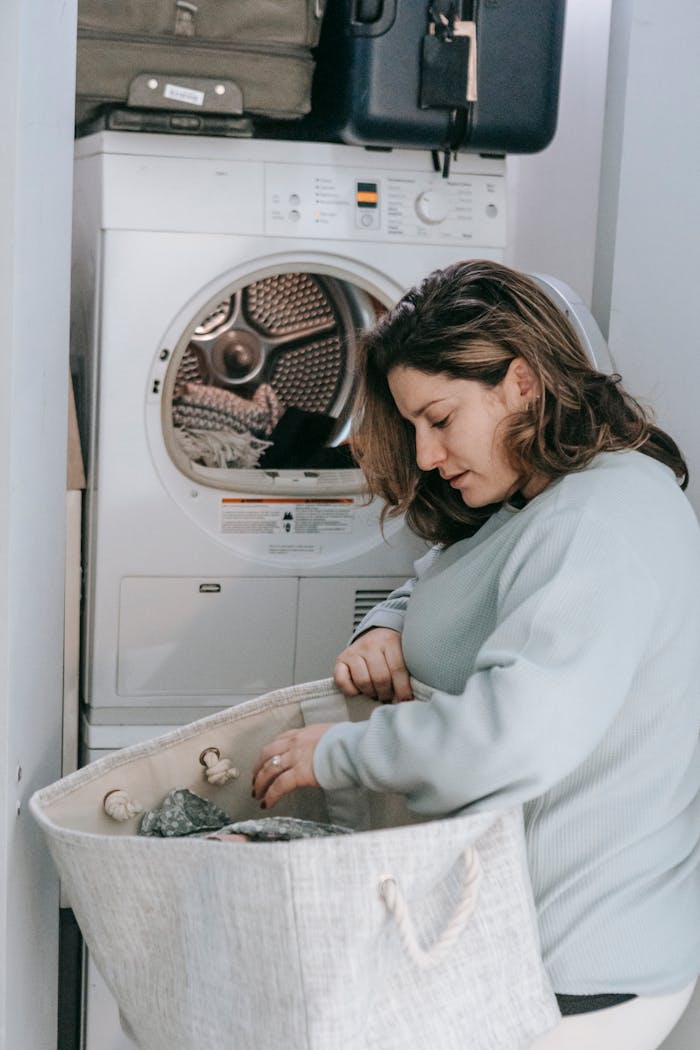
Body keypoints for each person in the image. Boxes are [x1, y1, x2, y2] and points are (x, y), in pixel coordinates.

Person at [252, 260, 700, 1048]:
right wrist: (384, 629)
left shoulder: (597, 519)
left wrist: (340, 754)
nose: (426, 455)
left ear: (521, 383)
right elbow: (454, 575)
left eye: (440, 419)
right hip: (532, 951)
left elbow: (509, 739)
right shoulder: (542, 499)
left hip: (577, 973)